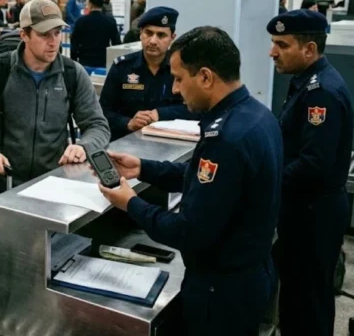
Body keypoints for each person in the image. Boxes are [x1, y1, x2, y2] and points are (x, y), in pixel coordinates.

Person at [99, 26, 282, 336]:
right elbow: (206, 180)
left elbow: (189, 233)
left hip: (220, 293)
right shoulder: (257, 115)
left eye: (179, 79)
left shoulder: (225, 138)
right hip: (248, 276)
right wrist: (142, 168)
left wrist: (131, 203)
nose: (174, 89)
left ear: (206, 77)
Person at [0, 0, 110, 197]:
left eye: (57, 33)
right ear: (24, 35)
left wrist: (84, 146)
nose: (53, 42)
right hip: (2, 186)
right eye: (43, 34)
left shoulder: (72, 74)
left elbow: (98, 126)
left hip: (53, 185)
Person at [267, 9, 353, 336]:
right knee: (296, 299)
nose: (272, 52)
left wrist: (265, 179)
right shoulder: (306, 82)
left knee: (308, 305)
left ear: (309, 49)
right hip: (304, 208)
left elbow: (314, 164)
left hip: (314, 213)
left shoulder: (322, 93)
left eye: (282, 44)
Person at [99, 7, 193, 141]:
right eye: (148, 33)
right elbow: (103, 111)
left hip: (170, 143)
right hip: (126, 142)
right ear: (140, 34)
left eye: (161, 35)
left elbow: (195, 109)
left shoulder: (182, 69)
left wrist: (160, 114)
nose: (153, 41)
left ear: (172, 38)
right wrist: (128, 123)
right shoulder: (122, 67)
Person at [70, 0, 121, 68]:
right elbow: (116, 43)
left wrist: (74, 61)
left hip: (85, 61)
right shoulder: (110, 21)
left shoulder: (81, 21)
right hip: (103, 61)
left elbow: (74, 43)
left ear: (90, 4)